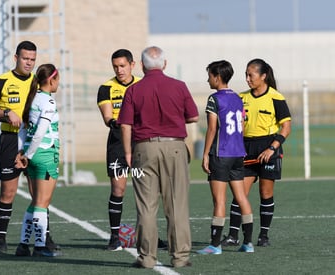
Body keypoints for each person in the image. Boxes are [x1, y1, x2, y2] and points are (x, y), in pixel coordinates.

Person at [118, 46, 199, 268]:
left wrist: (127, 152)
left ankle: (146, 258)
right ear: (164, 63)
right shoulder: (179, 86)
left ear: (142, 65)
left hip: (144, 148)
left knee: (146, 206)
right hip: (174, 147)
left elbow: (125, 125)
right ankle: (180, 257)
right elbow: (193, 116)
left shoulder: (133, 90)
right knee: (176, 205)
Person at [0, 41, 58, 253]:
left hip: (34, 141)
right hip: (10, 139)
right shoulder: (1, 81)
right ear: (16, 58)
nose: (29, 63)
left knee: (40, 193)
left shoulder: (38, 82)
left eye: (33, 59)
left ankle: (44, 238)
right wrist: (7, 112)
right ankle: (1, 241)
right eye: (25, 58)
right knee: (9, 192)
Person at [221, 58, 292, 247]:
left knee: (265, 193)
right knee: (239, 193)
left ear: (263, 76)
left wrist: (272, 148)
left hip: (269, 147)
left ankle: (263, 236)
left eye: (250, 75)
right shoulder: (240, 98)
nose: (247, 79)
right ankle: (233, 235)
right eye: (245, 75)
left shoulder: (276, 97)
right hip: (246, 149)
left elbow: (286, 127)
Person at [196, 60, 254, 255]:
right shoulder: (238, 98)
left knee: (219, 201)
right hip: (238, 153)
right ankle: (248, 243)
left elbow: (212, 128)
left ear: (217, 77)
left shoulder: (214, 99)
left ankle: (214, 245)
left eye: (209, 75)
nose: (207, 79)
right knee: (241, 198)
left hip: (221, 154)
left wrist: (205, 154)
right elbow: (243, 125)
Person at [14, 63, 61, 257]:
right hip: (44, 154)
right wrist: (29, 154)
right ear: (51, 80)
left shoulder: (32, 98)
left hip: (31, 154)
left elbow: (24, 128)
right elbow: (40, 131)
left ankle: (23, 245)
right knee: (43, 202)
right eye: (58, 79)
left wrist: (22, 152)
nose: (59, 83)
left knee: (35, 201)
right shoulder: (48, 102)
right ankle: (40, 246)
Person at [96, 49, 141, 251]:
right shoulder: (106, 88)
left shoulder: (143, 84)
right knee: (118, 189)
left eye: (123, 66)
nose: (119, 70)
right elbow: (107, 117)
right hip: (117, 144)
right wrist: (115, 122)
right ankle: (115, 237)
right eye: (115, 66)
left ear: (133, 64)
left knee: (145, 191)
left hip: (141, 143)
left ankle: (149, 235)